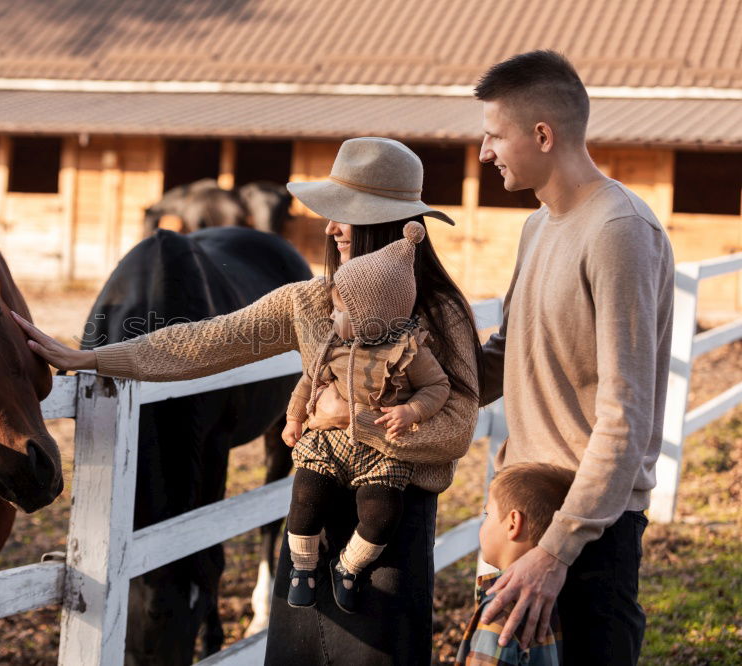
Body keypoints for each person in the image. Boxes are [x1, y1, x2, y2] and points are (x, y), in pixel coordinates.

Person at [13, 136, 482, 664]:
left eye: (344, 214)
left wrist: (350, 419)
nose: (330, 227)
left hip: (389, 529)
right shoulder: (310, 301)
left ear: (386, 224)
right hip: (312, 518)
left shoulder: (442, 314)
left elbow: (457, 429)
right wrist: (92, 358)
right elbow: (201, 342)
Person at [475, 50, 674, 664]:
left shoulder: (619, 230)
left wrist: (556, 552)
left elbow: (624, 414)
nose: (485, 152)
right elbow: (503, 358)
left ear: (541, 134)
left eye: (494, 135)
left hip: (588, 536)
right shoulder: (538, 226)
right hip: (525, 522)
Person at [282, 221, 451, 613]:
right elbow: (308, 383)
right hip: (329, 445)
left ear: (373, 316)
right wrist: (294, 419)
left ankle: (350, 566)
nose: (332, 316)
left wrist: (412, 410)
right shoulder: (334, 344)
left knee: (381, 513)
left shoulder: (411, 351)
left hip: (381, 455)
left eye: (341, 310)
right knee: (304, 498)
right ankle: (303, 567)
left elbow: (438, 389)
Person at [455, 462, 574, 665]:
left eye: (487, 514)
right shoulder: (550, 599)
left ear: (513, 523)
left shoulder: (500, 610)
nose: (483, 523)